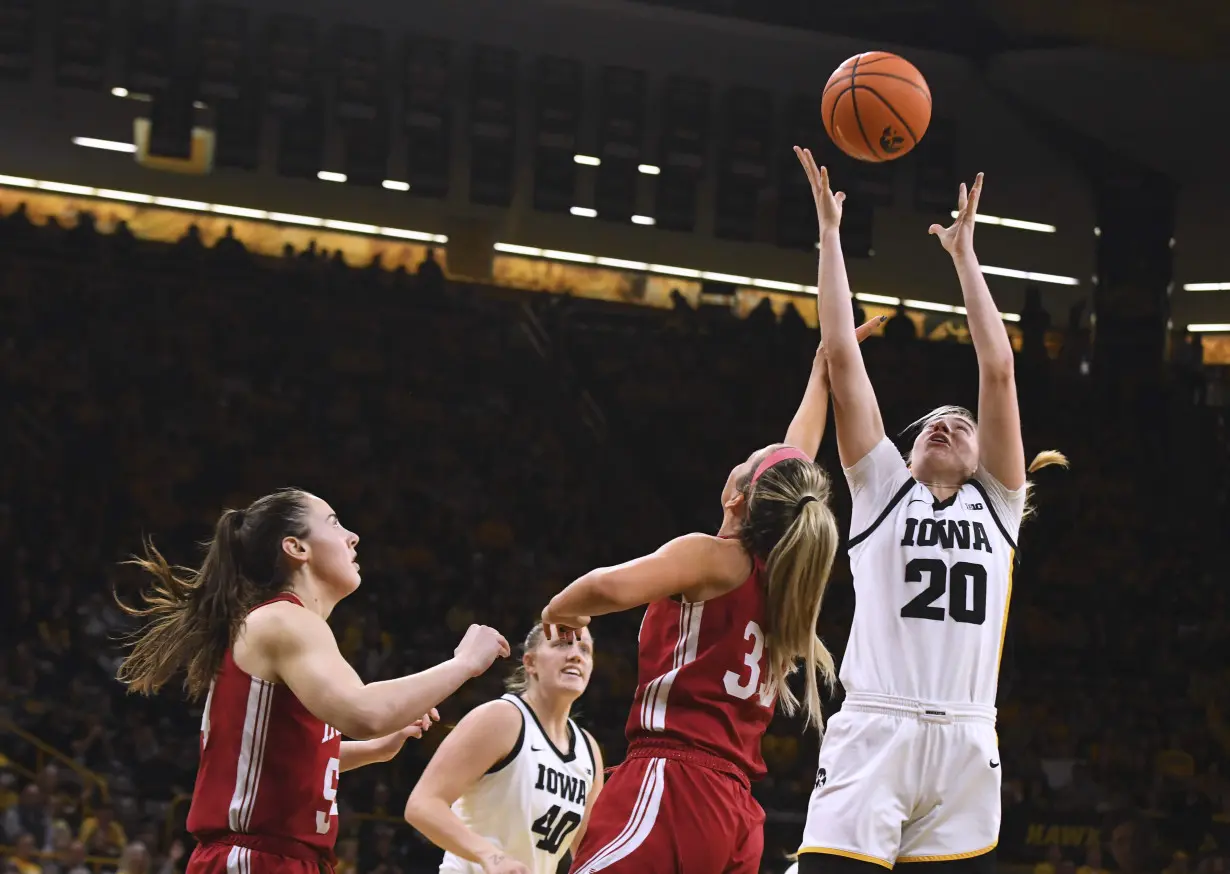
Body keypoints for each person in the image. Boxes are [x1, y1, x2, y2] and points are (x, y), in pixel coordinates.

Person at [791, 148, 1067, 873]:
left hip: (968, 744)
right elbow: (843, 359)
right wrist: (829, 236)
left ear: (982, 460)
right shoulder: (882, 492)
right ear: (904, 455)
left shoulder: (999, 507)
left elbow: (998, 370)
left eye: (962, 424)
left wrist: (965, 258)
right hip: (875, 725)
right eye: (930, 426)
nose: (946, 425)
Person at [540, 315, 880, 874]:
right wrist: (820, 375)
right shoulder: (785, 576)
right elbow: (795, 460)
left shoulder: (709, 555)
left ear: (735, 498)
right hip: (738, 813)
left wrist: (561, 609)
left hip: (674, 781)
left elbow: (608, 586)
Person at [115, 488, 512, 874]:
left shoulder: (290, 628)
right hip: (256, 858)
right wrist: (463, 663)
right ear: (297, 548)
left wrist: (373, 750)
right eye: (335, 523)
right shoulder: (284, 621)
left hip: (287, 857)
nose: (353, 536)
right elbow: (365, 712)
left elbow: (273, 752)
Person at [405, 623, 604, 874]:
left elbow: (588, 852)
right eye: (561, 644)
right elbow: (422, 804)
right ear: (530, 662)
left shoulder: (588, 750)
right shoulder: (503, 718)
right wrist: (491, 857)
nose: (576, 654)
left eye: (585, 649)